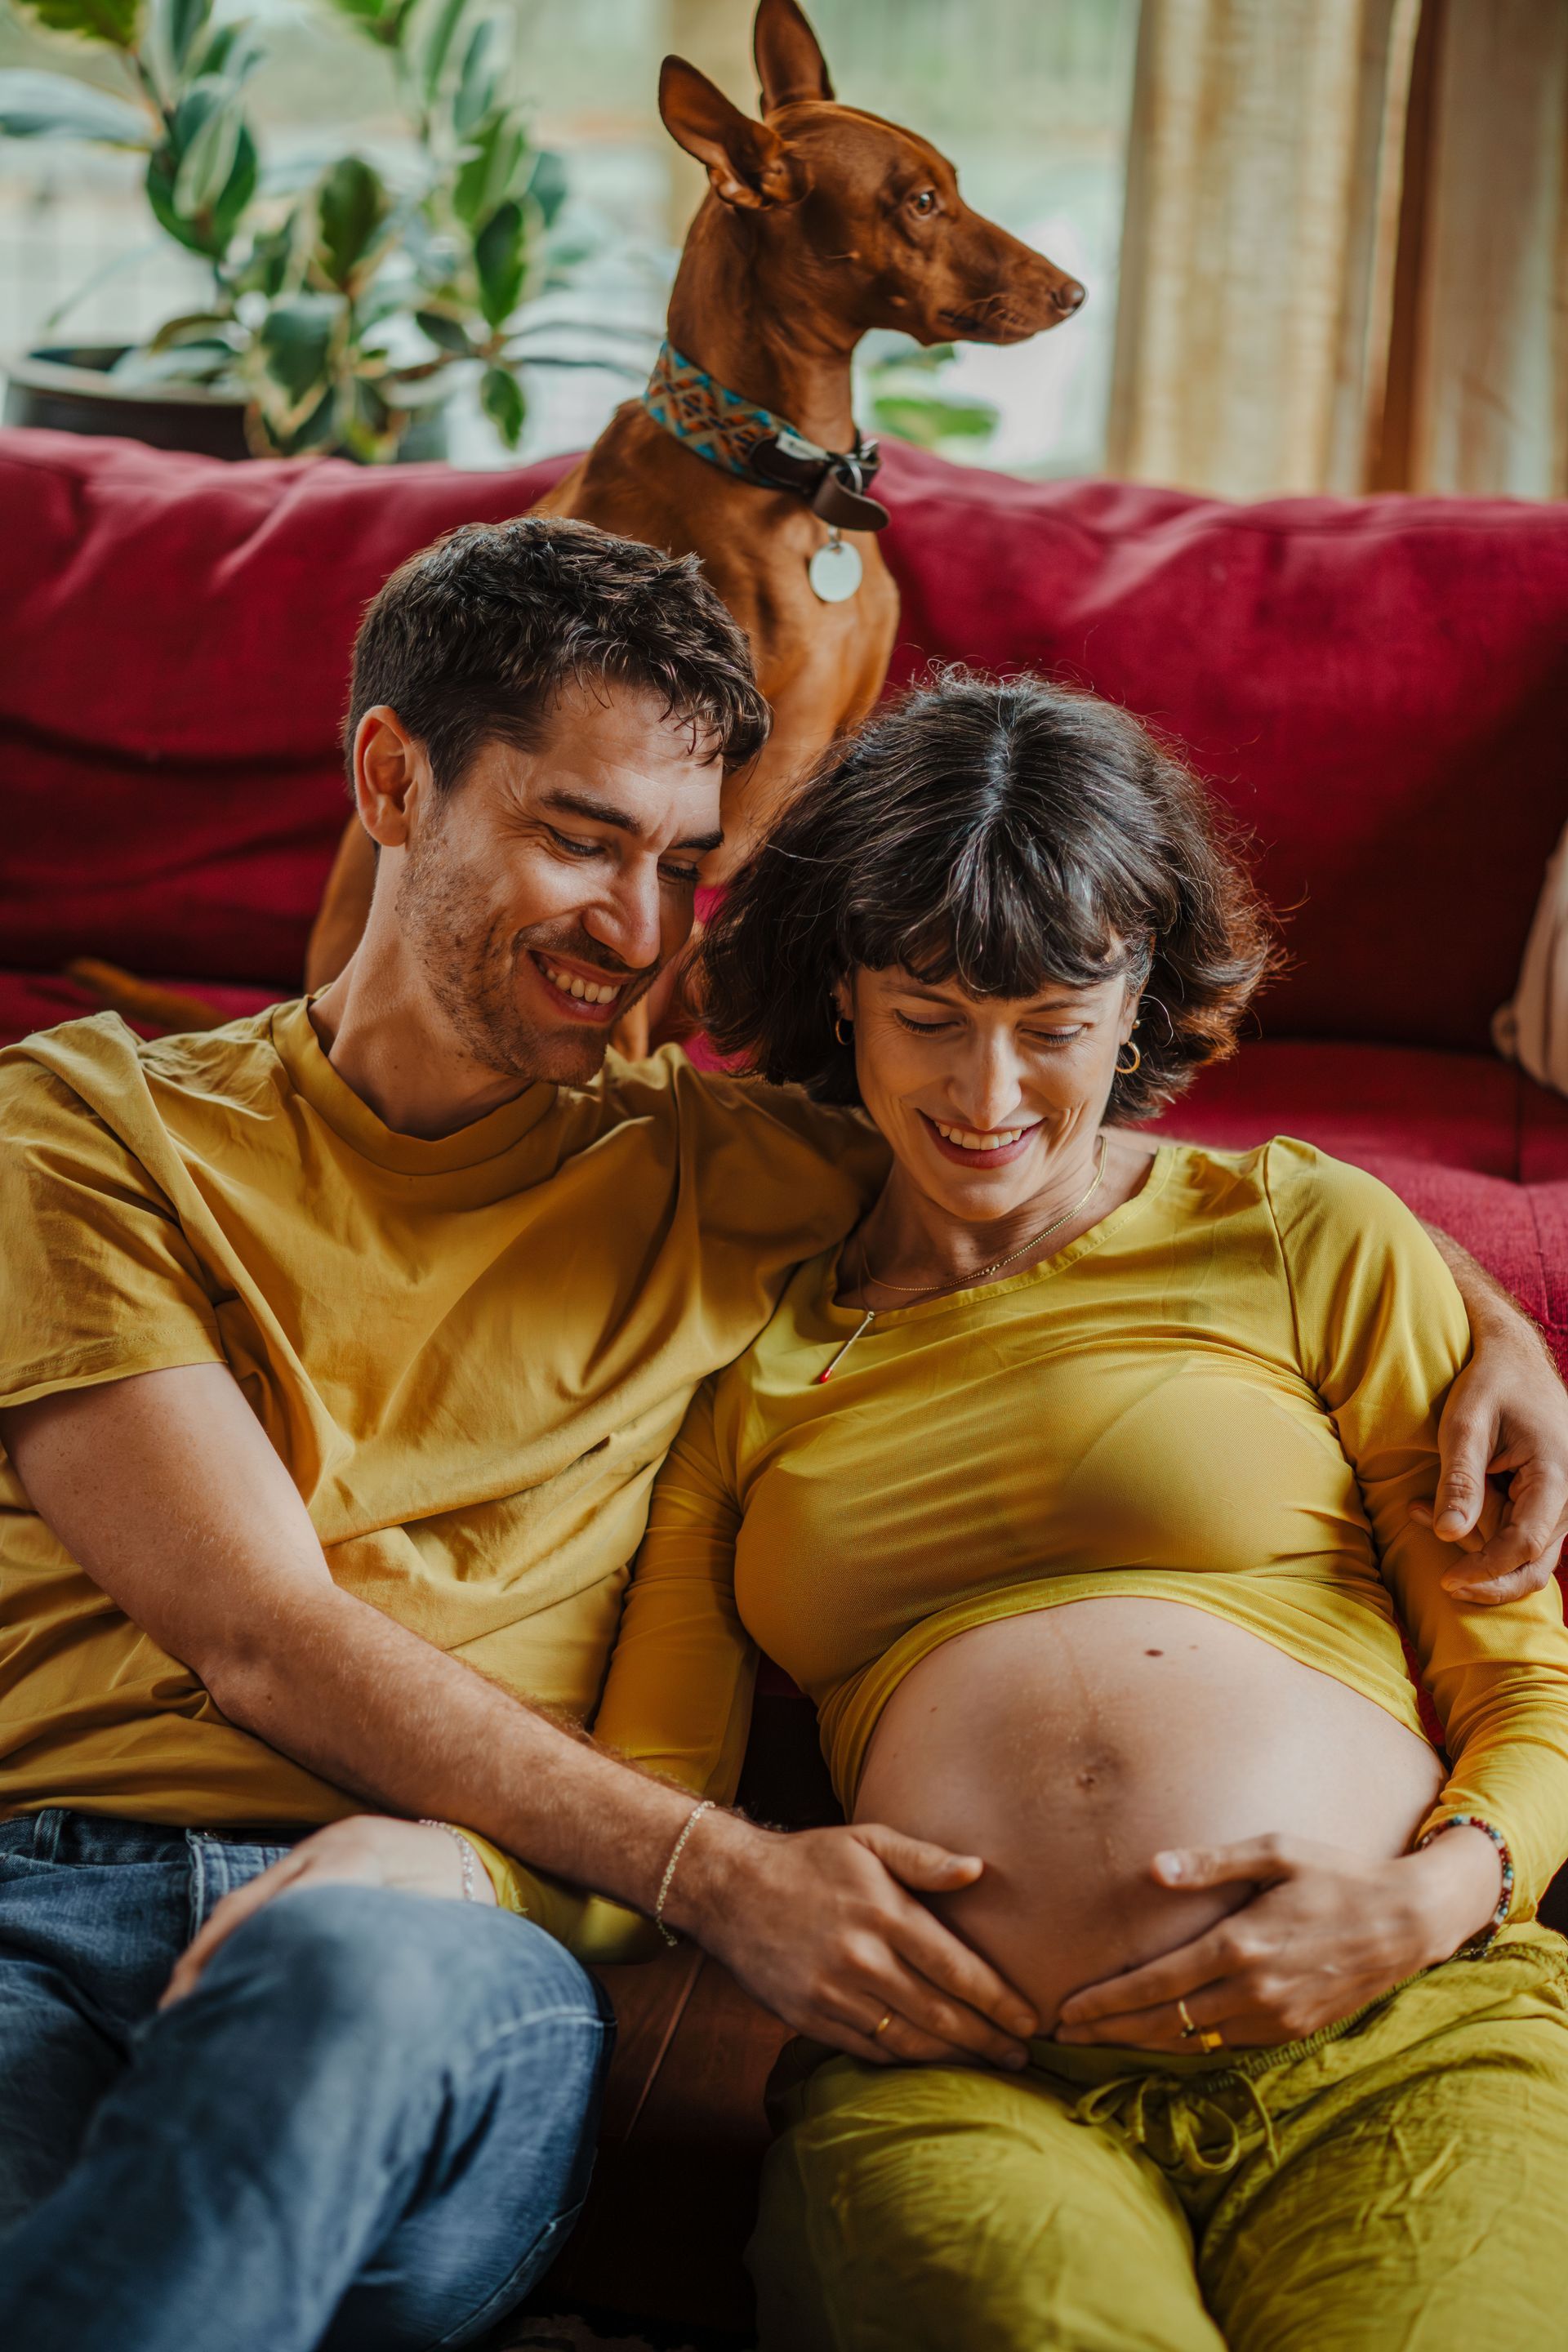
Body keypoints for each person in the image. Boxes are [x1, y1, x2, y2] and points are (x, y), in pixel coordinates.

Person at [0, 523, 1041, 2352]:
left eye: (682, 868)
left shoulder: (737, 1179)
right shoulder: (79, 1129)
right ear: (392, 780)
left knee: (329, 1985)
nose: (637, 937)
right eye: (579, 839)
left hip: (427, 1950)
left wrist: (1466, 1300)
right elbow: (252, 1630)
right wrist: (727, 1872)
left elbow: (1084, 1153)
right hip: (29, 1911)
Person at [592, 670, 1568, 2350]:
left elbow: (1525, 1689)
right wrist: (750, 1903)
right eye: (930, 1016)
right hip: (960, 2081)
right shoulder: (751, 1370)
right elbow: (645, 1815)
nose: (989, 1096)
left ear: (1138, 1002)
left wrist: (1428, 1902)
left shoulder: (1298, 1234)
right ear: (843, 992)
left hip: (1401, 2023)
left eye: (1054, 1023)